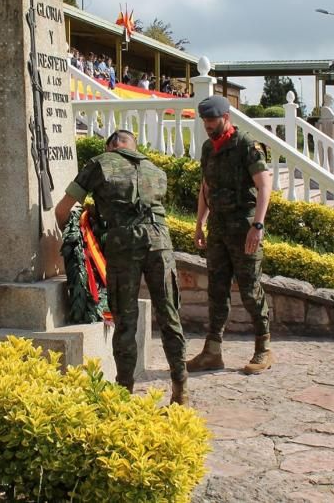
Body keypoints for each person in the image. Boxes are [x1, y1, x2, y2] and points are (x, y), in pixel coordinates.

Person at [55, 130, 189, 404]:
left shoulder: (99, 163)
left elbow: (63, 209)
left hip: (124, 245)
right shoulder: (156, 170)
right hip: (160, 244)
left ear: (111, 146)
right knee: (169, 316)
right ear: (133, 146)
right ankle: (180, 389)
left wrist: (72, 236)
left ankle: (124, 392)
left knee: (125, 321)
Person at [186, 95, 274, 376]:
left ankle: (264, 347)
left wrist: (257, 226)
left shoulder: (247, 146)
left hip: (244, 228)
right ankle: (212, 352)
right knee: (217, 290)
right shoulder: (208, 149)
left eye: (212, 120)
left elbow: (264, 187)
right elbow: (206, 188)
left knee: (249, 290)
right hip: (219, 230)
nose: (208, 126)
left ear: (226, 118)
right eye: (205, 121)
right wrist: (200, 223)